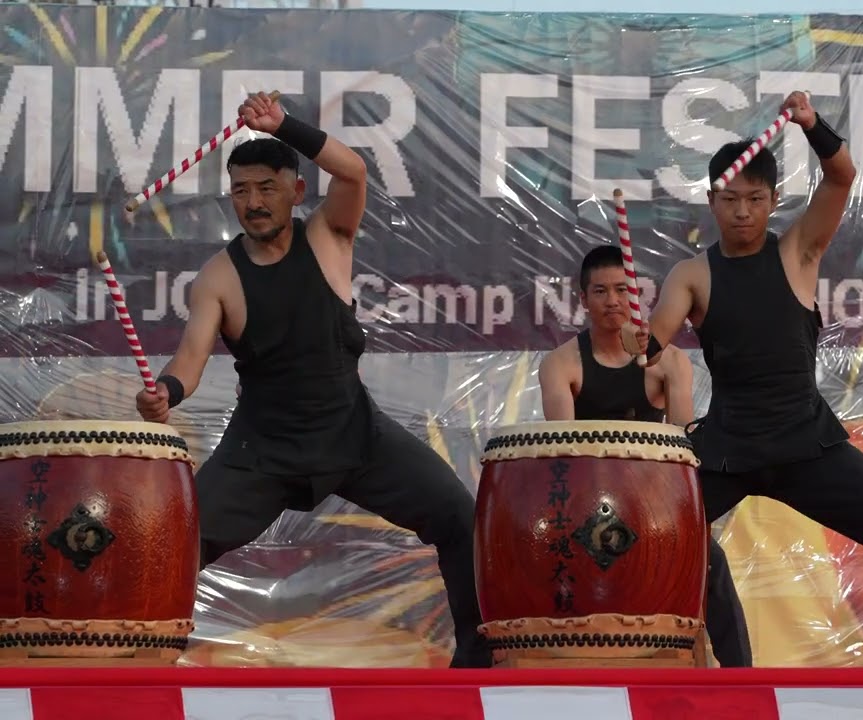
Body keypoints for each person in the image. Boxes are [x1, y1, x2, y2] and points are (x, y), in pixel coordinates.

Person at [134, 92, 490, 668]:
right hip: (263, 450)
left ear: (296, 191)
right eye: (241, 191)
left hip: (356, 436)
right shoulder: (218, 278)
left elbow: (352, 170)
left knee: (459, 516)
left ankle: (477, 663)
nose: (253, 202)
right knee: (174, 546)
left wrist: (282, 125)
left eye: (266, 187)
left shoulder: (328, 237)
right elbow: (189, 361)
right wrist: (165, 395)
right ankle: (141, 667)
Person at [630, 90, 863, 665]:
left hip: (807, 446)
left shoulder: (799, 250)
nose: (742, 212)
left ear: (773, 200)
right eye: (730, 200)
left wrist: (812, 124)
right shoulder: (692, 274)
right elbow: (654, 337)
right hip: (727, 448)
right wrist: (642, 344)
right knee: (643, 539)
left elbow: (842, 174)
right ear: (711, 200)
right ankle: (639, 661)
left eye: (755, 199)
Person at [536, 245, 754, 667]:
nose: (612, 301)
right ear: (583, 299)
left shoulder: (668, 363)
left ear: (637, 295)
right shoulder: (561, 364)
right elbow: (563, 454)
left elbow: (684, 450)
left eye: (621, 289)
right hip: (587, 508)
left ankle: (741, 678)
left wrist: (676, 518)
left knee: (711, 561)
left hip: (653, 506)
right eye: (600, 291)